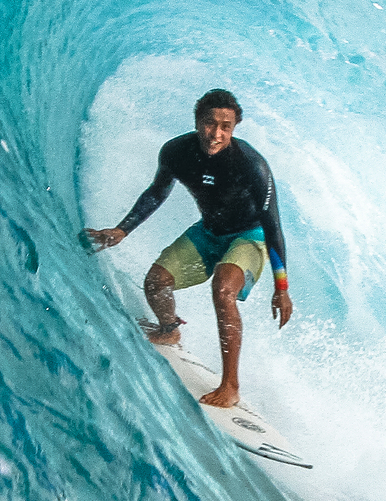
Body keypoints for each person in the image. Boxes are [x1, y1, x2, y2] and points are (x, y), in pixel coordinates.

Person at [85, 89, 292, 408]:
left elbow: (273, 225)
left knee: (223, 289)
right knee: (156, 282)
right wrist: (122, 230)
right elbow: (157, 193)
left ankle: (231, 387)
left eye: (226, 126)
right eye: (210, 124)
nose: (217, 133)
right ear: (197, 122)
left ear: (234, 128)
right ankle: (169, 330)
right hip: (208, 233)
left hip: (250, 239)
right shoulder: (177, 152)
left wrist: (281, 287)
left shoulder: (252, 165)